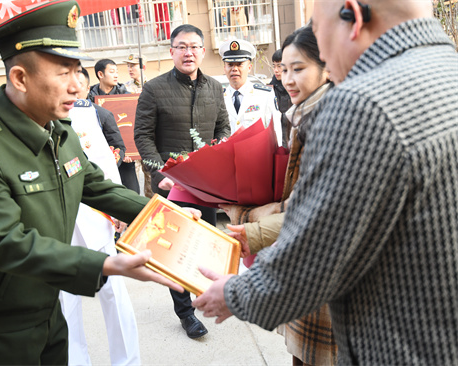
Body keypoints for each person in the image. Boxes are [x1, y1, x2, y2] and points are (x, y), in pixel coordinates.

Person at [194, 0, 458, 364]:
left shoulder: (361, 104)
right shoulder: (447, 70)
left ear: (353, 16)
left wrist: (236, 294)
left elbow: (314, 256)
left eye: (318, 30)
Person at [0, 2, 186, 364]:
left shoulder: (60, 130)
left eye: (77, 70)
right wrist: (103, 265)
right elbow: (3, 242)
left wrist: (168, 212)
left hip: (47, 297)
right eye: (63, 72)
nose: (77, 84)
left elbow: (98, 188)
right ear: (20, 79)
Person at [223, 26, 336, 366]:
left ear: (326, 66)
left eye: (298, 69)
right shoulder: (304, 115)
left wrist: (246, 217)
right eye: (283, 69)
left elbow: (319, 209)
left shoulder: (331, 120)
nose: (288, 78)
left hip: (322, 272)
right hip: (302, 268)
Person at [134, 24, 230, 339]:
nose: (188, 52)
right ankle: (186, 313)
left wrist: (220, 152)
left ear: (203, 51)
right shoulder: (154, 89)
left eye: (194, 46)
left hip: (205, 186)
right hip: (170, 186)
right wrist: (161, 172)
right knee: (174, 251)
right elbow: (143, 137)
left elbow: (223, 129)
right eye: (181, 46)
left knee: (203, 244)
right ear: (171, 50)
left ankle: (206, 295)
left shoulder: (215, 87)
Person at [60, 69, 141, 366]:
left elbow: (104, 167)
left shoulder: (86, 113)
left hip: (96, 215)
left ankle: (127, 361)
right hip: (56, 224)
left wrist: (121, 210)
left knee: (114, 294)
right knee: (65, 304)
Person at [89, 58, 140, 194]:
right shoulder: (89, 99)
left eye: (117, 71)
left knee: (132, 194)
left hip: (125, 159)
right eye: (112, 72)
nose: (116, 75)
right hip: (100, 158)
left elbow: (135, 125)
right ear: (100, 74)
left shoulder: (126, 97)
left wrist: (130, 151)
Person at [219, 38, 282, 142]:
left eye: (239, 64)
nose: (234, 69)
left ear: (249, 67)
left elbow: (276, 133)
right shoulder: (218, 98)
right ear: (224, 68)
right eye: (230, 65)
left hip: (258, 157)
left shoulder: (264, 95)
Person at [123, 52, 154, 198]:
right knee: (131, 184)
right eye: (128, 66)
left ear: (143, 67)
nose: (130, 69)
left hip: (149, 140)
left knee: (151, 183)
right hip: (131, 139)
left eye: (133, 65)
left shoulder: (153, 86)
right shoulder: (123, 89)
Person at [270, 49, 292, 146]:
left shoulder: (297, 89)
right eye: (274, 66)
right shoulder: (270, 90)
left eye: (279, 66)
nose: (276, 70)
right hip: (277, 146)